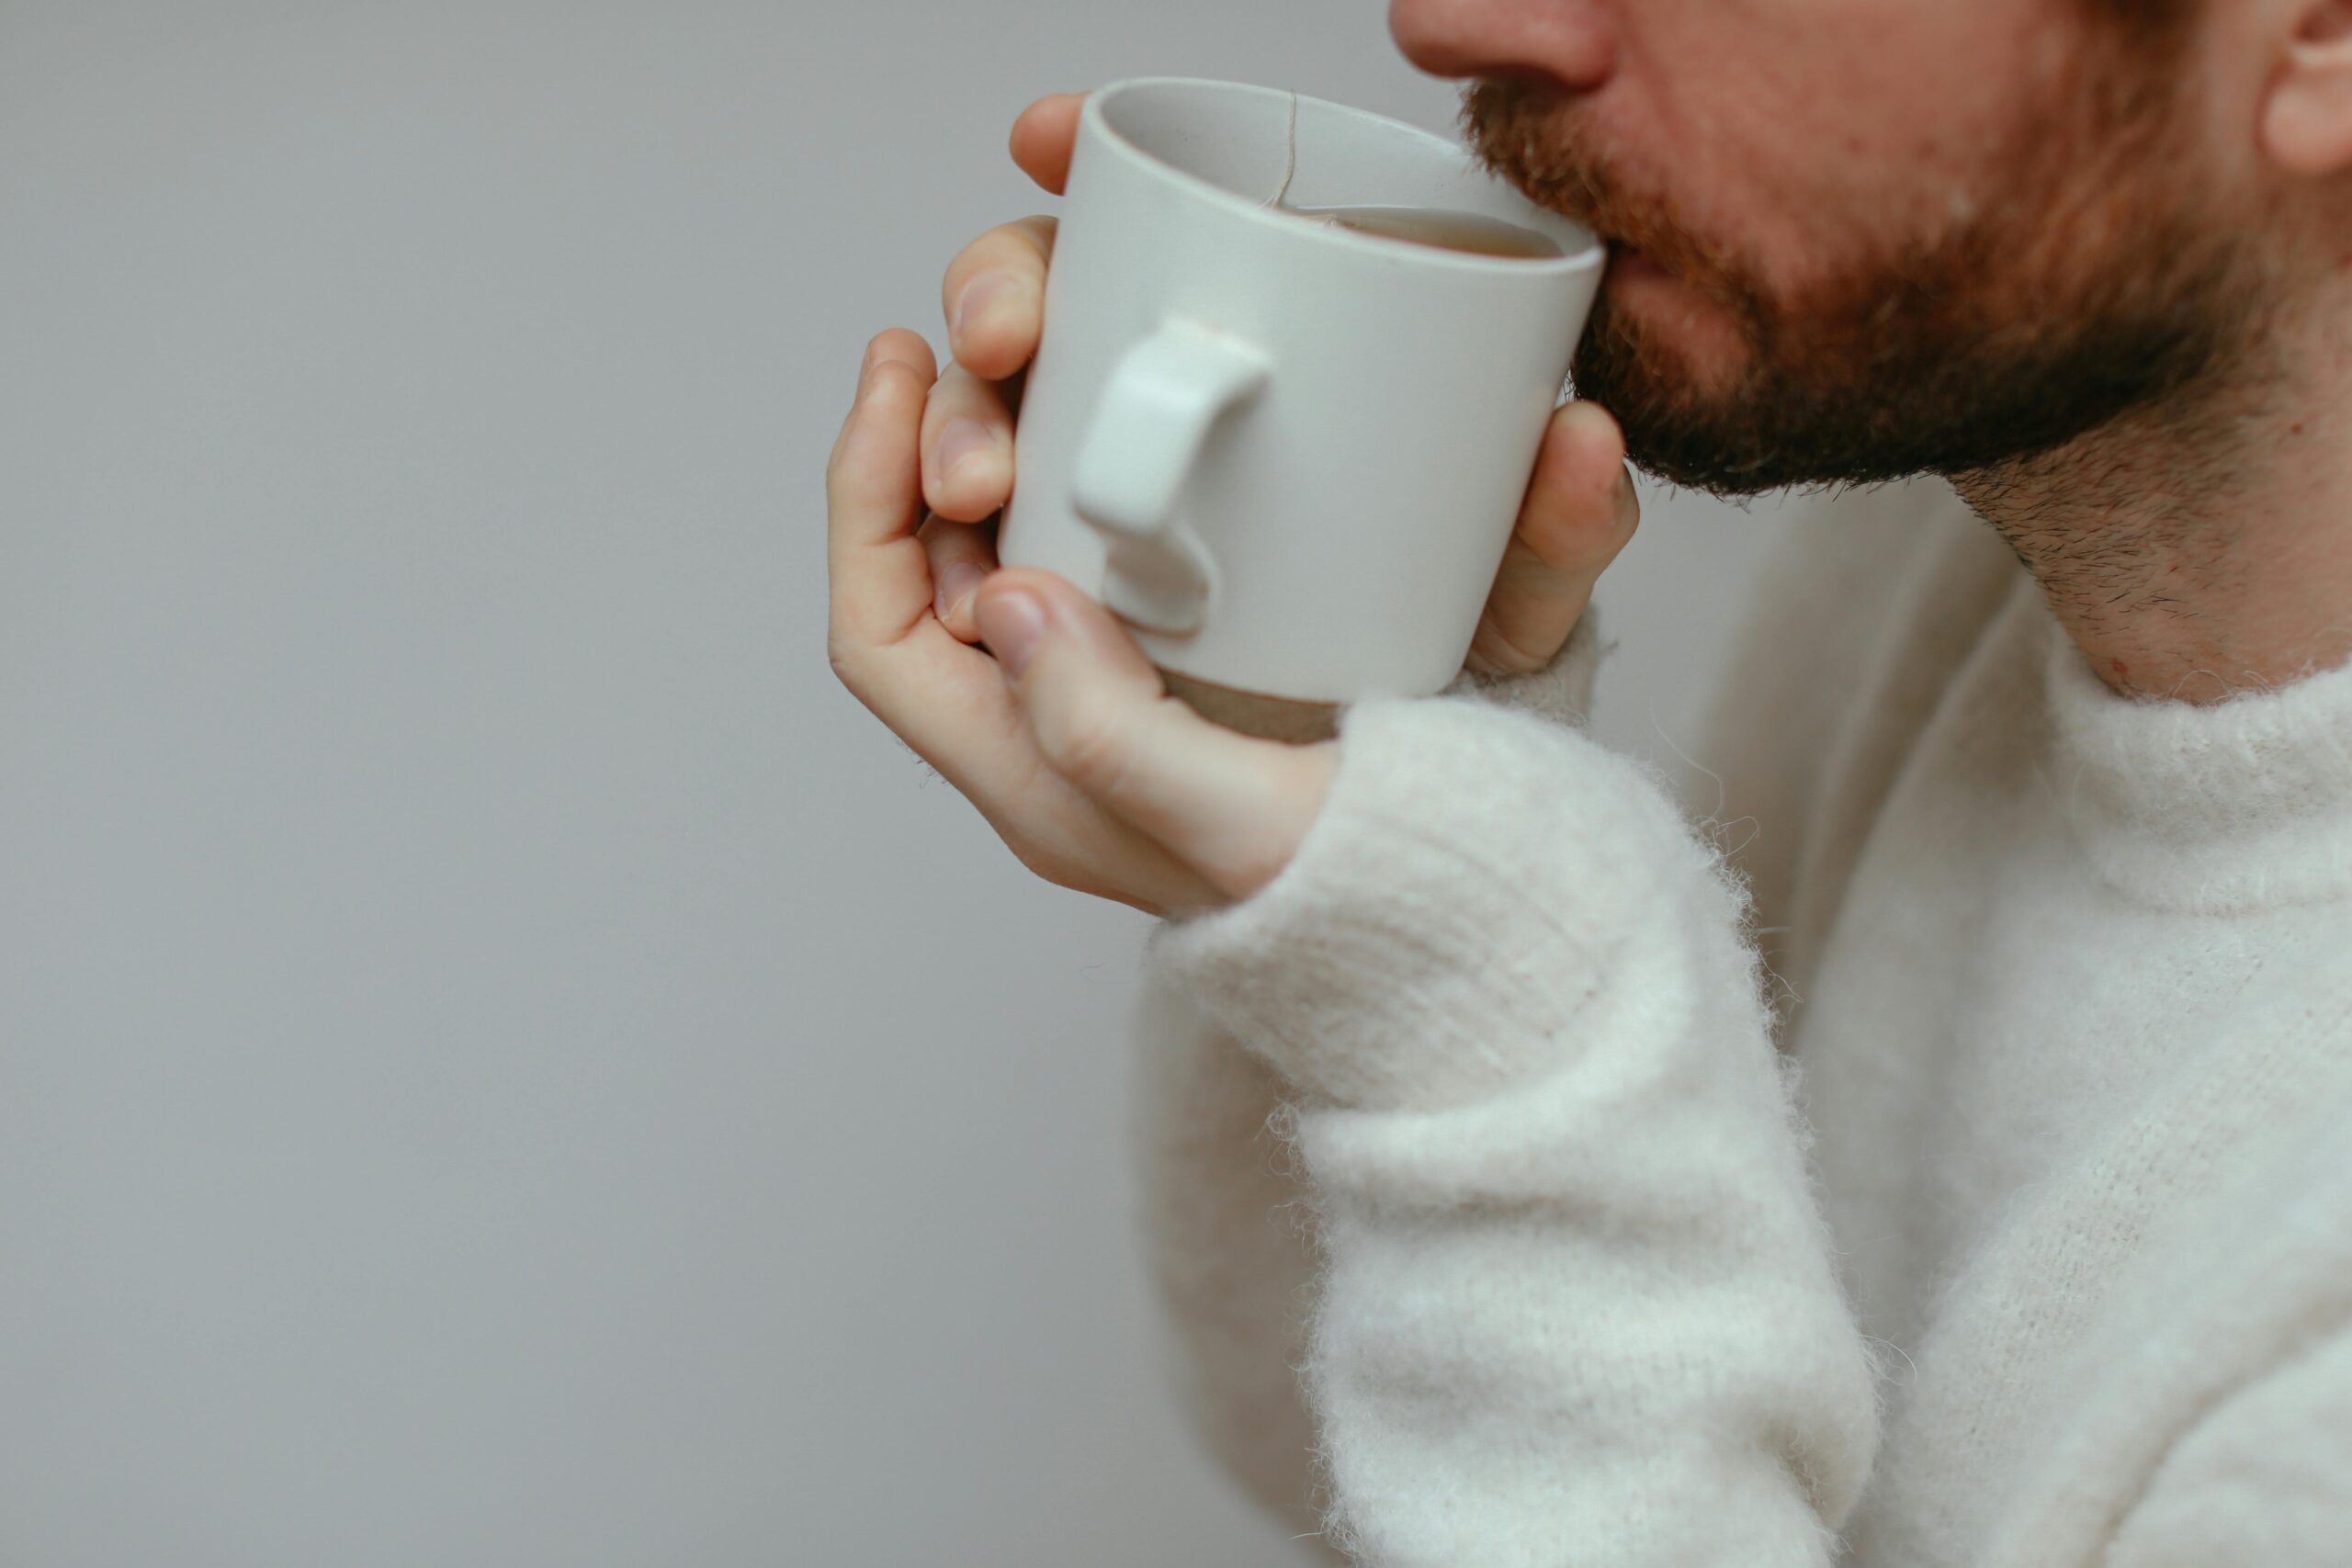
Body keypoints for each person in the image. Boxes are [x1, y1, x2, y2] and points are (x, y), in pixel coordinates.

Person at [824, 0, 2352, 1560]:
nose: (1448, 23)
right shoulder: (1942, 562)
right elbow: (1343, 1465)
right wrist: (1332, 749)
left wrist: (1511, 1052)